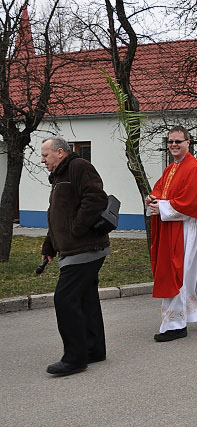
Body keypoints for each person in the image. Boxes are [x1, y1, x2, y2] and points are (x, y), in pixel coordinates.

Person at [40, 137, 111, 376]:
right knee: (85, 298)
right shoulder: (60, 176)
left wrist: (76, 230)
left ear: (60, 152)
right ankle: (94, 349)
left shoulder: (79, 166)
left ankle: (75, 358)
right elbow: (58, 216)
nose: (42, 160)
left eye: (45, 155)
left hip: (85, 248)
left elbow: (96, 198)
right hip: (76, 248)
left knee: (65, 299)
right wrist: (49, 246)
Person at [145, 125, 197, 342]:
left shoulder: (194, 169)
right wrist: (152, 199)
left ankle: (176, 325)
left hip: (188, 229)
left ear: (188, 142)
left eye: (178, 141)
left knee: (179, 274)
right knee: (183, 273)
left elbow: (193, 202)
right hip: (173, 227)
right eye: (170, 141)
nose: (174, 145)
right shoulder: (171, 168)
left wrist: (163, 207)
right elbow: (160, 190)